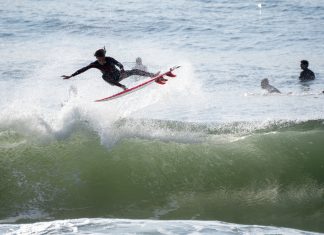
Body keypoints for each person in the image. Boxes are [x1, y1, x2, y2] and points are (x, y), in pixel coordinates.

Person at [62, 48, 157, 90]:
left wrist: (122, 68)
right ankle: (122, 87)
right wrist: (71, 75)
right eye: (98, 58)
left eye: (101, 58)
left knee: (134, 71)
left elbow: (119, 63)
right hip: (112, 80)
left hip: (119, 75)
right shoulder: (95, 64)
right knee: (104, 76)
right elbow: (83, 69)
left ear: (104, 56)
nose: (99, 60)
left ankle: (153, 75)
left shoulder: (109, 59)